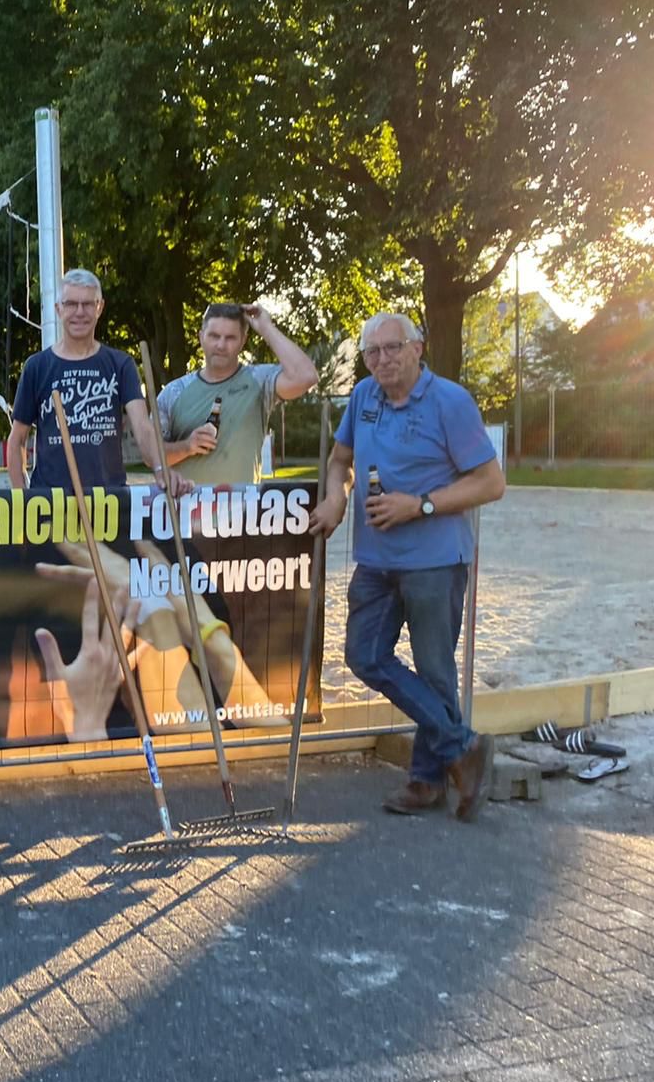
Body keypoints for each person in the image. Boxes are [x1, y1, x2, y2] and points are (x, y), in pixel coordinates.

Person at [309, 313, 506, 819]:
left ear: (417, 348)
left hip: (435, 561)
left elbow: (491, 482)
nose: (383, 360)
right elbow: (339, 461)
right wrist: (335, 499)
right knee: (364, 656)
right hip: (376, 560)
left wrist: (419, 505)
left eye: (393, 347)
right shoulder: (363, 397)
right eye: (372, 352)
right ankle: (463, 748)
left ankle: (426, 781)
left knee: (435, 670)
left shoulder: (450, 402)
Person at [7, 269, 184, 494]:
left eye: (88, 304)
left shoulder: (121, 364)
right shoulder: (37, 367)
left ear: (100, 307)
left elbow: (142, 427)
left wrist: (160, 467)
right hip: (51, 501)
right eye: (71, 304)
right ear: (58, 309)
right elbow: (17, 440)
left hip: (107, 499)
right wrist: (23, 499)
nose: (80, 312)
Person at [157, 302, 319, 485]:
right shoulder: (173, 393)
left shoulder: (259, 381)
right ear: (201, 337)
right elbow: (151, 455)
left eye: (230, 338)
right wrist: (187, 447)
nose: (221, 345)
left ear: (243, 341)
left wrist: (266, 328)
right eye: (214, 336)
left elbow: (306, 376)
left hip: (243, 503)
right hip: (186, 503)